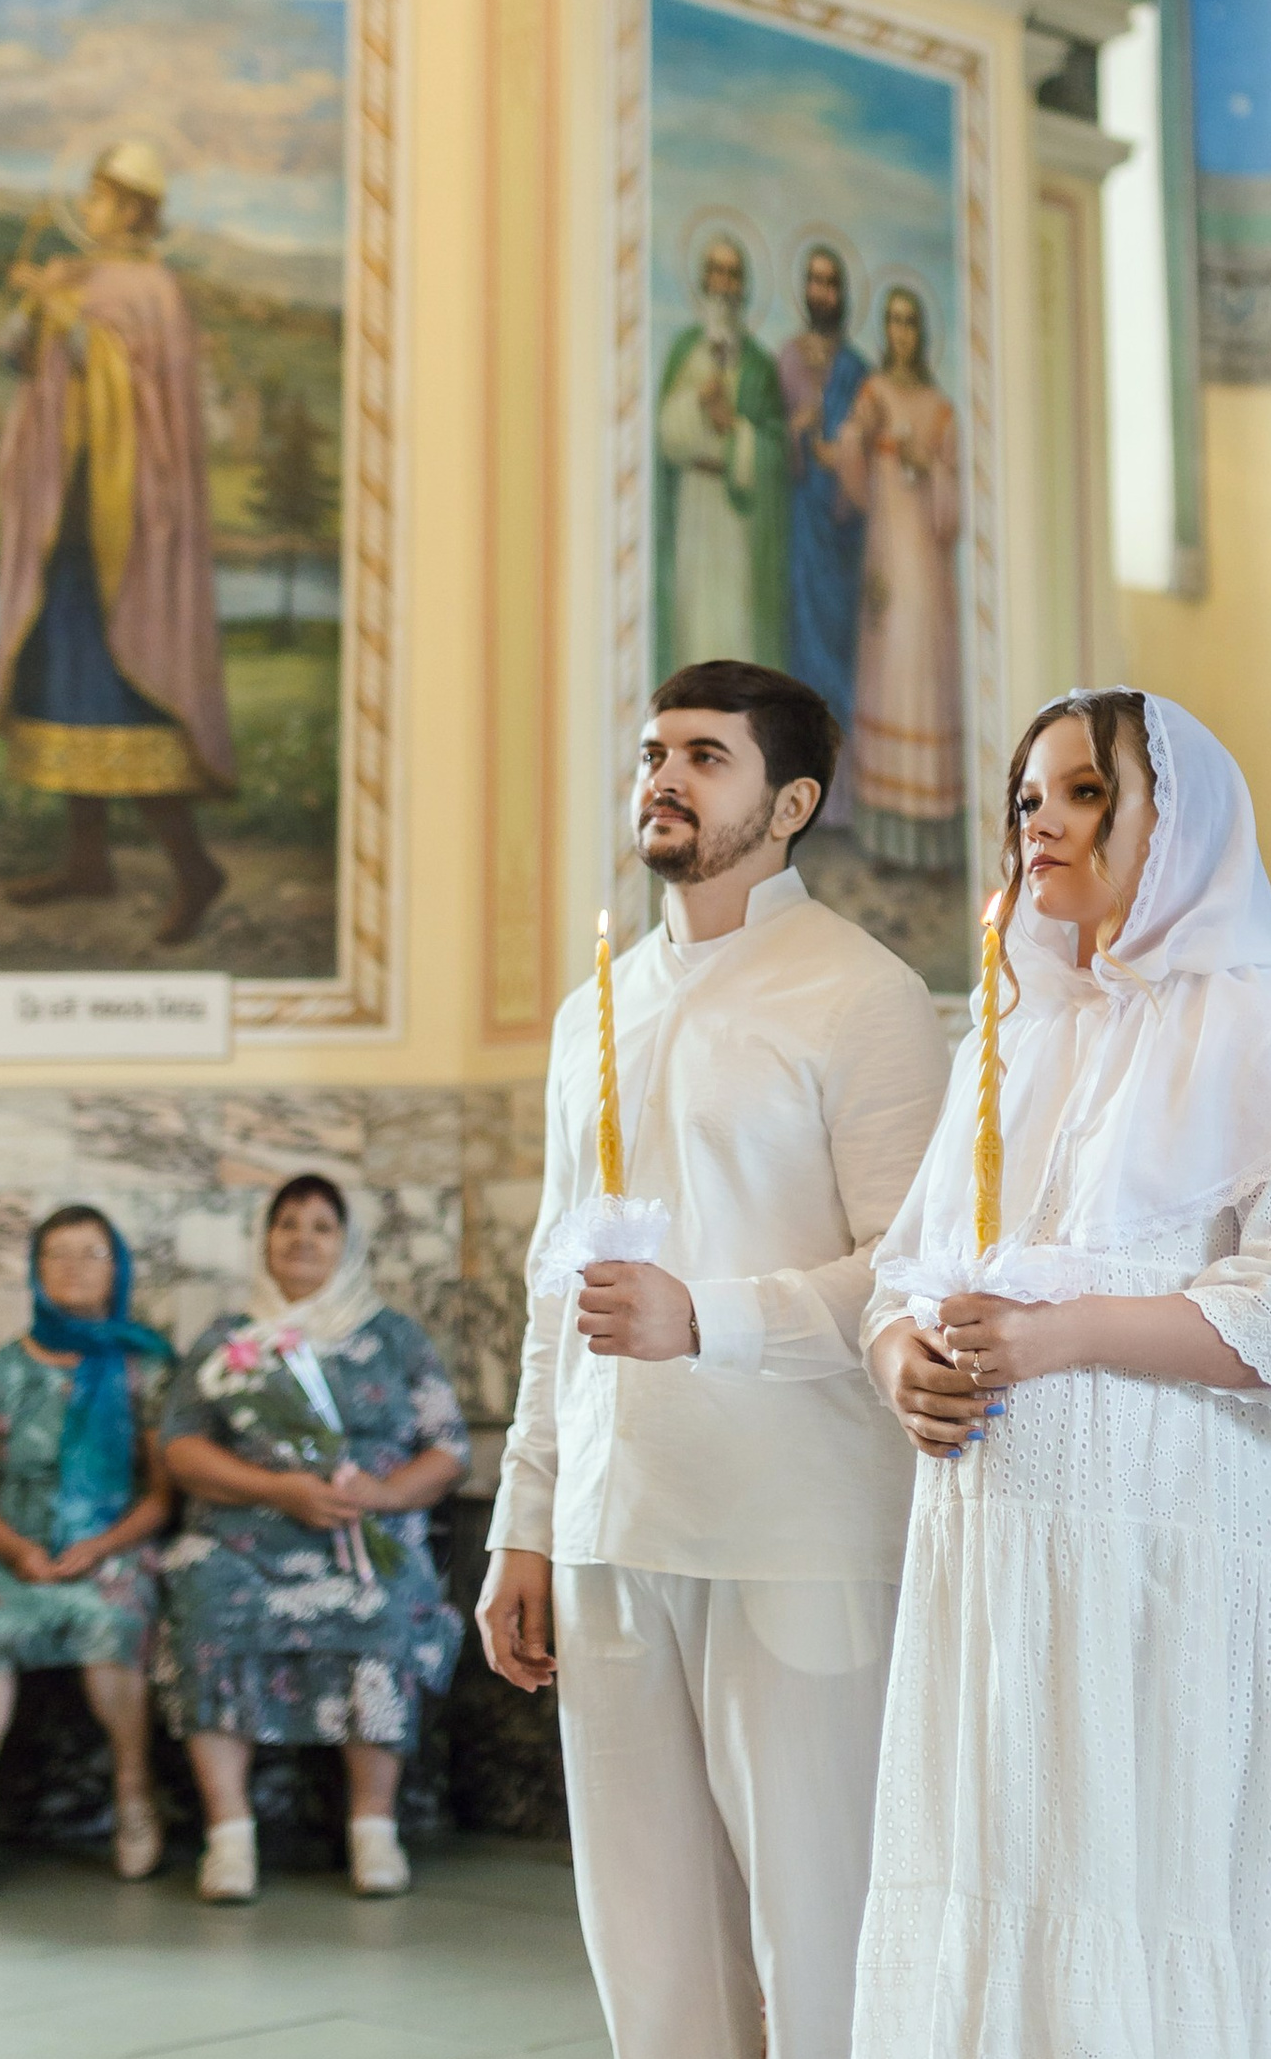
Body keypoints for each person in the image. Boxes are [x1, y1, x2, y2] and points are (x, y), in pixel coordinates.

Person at [855, 690, 1271, 2057]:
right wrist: (901, 1364)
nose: (1039, 817)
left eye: (1083, 790)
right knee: (1027, 1872)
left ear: (1178, 821)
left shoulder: (1264, 1014)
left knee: (1168, 1880)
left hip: (1191, 1561)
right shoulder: (1016, 1030)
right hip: (1010, 1574)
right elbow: (900, 1273)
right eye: (1026, 795)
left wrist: (1065, 1336)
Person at [477, 658, 948, 2059]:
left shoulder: (863, 996)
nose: (664, 779)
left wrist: (712, 1319)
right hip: (617, 1522)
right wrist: (526, 1518)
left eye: (705, 756)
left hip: (797, 1529)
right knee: (648, 1936)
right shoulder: (594, 1010)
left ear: (791, 800)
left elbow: (907, 1269)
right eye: (653, 753)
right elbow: (554, 1286)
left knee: (819, 1922)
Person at [158, 1174, 469, 1902]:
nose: (302, 1238)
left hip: (366, 1537)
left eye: (321, 1226)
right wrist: (276, 1488)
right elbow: (180, 1448)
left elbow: (449, 1448)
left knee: (386, 1607)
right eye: (288, 1223)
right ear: (265, 1240)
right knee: (206, 1601)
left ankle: (374, 1829)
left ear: (347, 1243)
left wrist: (387, 1495)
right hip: (242, 1537)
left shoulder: (393, 1337)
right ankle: (229, 1837)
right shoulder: (230, 1338)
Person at [0, 138, 234, 945]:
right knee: (62, 679)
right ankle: (86, 861)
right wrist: (35, 307)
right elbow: (20, 361)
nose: (88, 212)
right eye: (88, 197)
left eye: (100, 199)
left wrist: (60, 312)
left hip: (126, 525)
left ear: (133, 208)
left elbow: (133, 388)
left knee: (127, 684)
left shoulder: (154, 290)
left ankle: (194, 868)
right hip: (67, 510)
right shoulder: (78, 277)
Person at [0, 1204, 176, 1904]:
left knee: (117, 1614)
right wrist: (19, 1551)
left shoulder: (145, 1365)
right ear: (36, 1272)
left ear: (117, 1270)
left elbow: (162, 1496)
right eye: (57, 1255)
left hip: (112, 1549)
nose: (73, 1268)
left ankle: (134, 1798)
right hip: (12, 1552)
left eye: (91, 1254)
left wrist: (99, 1546)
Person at [833, 285, 964, 873]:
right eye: (892, 321)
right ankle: (887, 838)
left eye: (911, 321)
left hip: (928, 576)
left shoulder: (939, 410)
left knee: (924, 685)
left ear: (922, 331)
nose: (901, 332)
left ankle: (930, 840)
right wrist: (855, 442)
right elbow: (850, 469)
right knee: (887, 679)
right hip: (886, 562)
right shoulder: (874, 394)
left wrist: (927, 468)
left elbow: (954, 510)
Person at [655, 232, 788, 675]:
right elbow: (665, 437)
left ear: (743, 287)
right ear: (704, 280)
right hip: (694, 504)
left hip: (737, 518)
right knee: (693, 618)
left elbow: (774, 446)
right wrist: (697, 405)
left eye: (733, 275)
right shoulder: (684, 351)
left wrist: (734, 427)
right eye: (716, 272)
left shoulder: (759, 365)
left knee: (733, 620)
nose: (724, 285)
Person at [778, 243, 871, 764]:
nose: (822, 292)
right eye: (815, 281)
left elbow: (868, 462)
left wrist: (841, 454)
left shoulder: (857, 370)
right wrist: (795, 435)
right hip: (800, 529)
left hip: (843, 532)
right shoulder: (789, 358)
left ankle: (844, 779)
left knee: (841, 645)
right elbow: (775, 443)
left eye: (831, 283)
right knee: (803, 644)